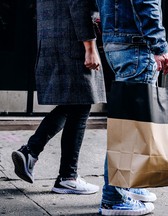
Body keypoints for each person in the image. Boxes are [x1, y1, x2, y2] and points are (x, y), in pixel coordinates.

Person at [11, 0, 106, 195]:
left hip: (53, 37)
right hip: (73, 41)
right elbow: (79, 5)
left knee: (74, 104)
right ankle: (67, 177)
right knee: (80, 104)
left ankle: (32, 152)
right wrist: (90, 47)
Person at [96, 0, 168, 215]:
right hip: (136, 46)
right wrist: (160, 46)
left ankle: (126, 188)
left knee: (128, 126)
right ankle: (114, 198)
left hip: (116, 43)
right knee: (130, 129)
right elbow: (146, 2)